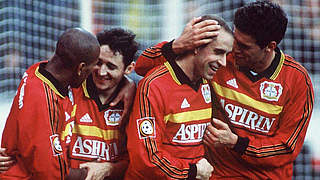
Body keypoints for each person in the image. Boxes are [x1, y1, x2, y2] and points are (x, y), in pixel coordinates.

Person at [134, 1, 315, 179]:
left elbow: (286, 148)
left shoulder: (297, 80)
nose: (234, 50)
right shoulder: (219, 58)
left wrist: (237, 143)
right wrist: (177, 45)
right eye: (236, 40)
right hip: (217, 174)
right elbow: (141, 67)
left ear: (270, 47)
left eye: (244, 46)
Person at [125, 15, 233, 180]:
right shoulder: (155, 85)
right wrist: (192, 171)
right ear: (196, 46)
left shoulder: (206, 81)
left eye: (226, 54)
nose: (223, 62)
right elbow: (146, 158)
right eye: (218, 52)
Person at [0, 28, 101, 179]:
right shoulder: (42, 101)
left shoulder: (40, 71)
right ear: (80, 68)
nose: (93, 74)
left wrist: (128, 85)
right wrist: (92, 173)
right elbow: (50, 172)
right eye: (91, 69)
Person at [63, 28, 138, 180]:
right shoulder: (70, 90)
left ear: (129, 69)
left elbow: (141, 160)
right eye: (98, 63)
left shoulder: (137, 100)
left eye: (111, 66)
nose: (101, 72)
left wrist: (110, 169)